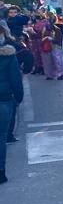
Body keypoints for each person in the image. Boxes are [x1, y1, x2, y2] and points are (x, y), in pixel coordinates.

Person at [0, 22, 25, 184]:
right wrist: (18, 97)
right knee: (1, 136)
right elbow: (16, 79)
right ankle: (1, 171)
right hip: (4, 97)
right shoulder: (8, 55)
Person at [42, 12, 63, 80]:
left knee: (57, 60)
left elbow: (59, 39)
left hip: (55, 46)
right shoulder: (45, 29)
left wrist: (51, 39)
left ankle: (60, 74)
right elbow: (42, 37)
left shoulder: (57, 29)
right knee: (48, 61)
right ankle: (50, 75)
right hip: (47, 46)